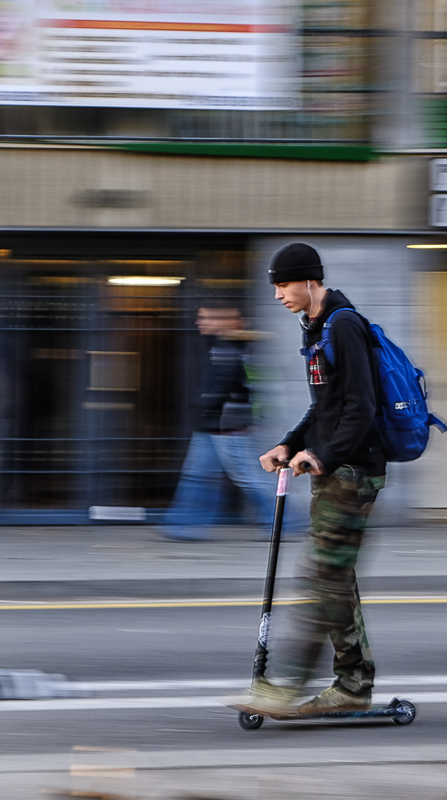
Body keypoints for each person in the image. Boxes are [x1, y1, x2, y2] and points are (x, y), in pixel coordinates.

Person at [245, 242, 386, 716]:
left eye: (284, 285)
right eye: (275, 286)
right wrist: (290, 443)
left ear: (310, 281)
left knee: (322, 579)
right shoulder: (317, 327)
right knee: (335, 580)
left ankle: (291, 686)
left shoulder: (343, 325)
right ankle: (354, 683)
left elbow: (361, 407)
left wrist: (322, 456)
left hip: (352, 471)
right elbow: (325, 406)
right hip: (333, 468)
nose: (278, 294)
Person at [161, 304, 275, 541]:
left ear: (222, 321)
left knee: (246, 476)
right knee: (197, 475)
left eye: (205, 318)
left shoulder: (228, 348)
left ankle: (284, 520)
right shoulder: (219, 345)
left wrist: (202, 402)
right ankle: (183, 523)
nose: (198, 322)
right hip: (213, 424)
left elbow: (223, 384)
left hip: (227, 425)